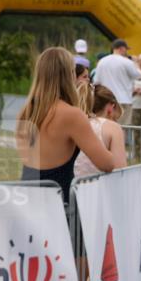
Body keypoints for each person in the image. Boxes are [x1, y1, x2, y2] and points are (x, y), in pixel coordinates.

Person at [17, 48, 118, 202]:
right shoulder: (72, 115)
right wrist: (114, 134)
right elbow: (107, 164)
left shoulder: (26, 111)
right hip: (59, 205)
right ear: (69, 75)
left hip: (26, 198)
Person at [74, 86, 128, 178]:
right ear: (111, 107)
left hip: (74, 187)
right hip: (101, 188)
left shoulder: (76, 124)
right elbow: (120, 171)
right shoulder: (113, 128)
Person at [92, 38, 141, 126]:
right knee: (123, 128)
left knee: (106, 126)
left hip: (106, 100)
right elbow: (138, 75)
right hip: (124, 100)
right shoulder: (127, 62)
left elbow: (96, 81)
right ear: (122, 48)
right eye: (126, 49)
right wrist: (136, 62)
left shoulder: (102, 62)